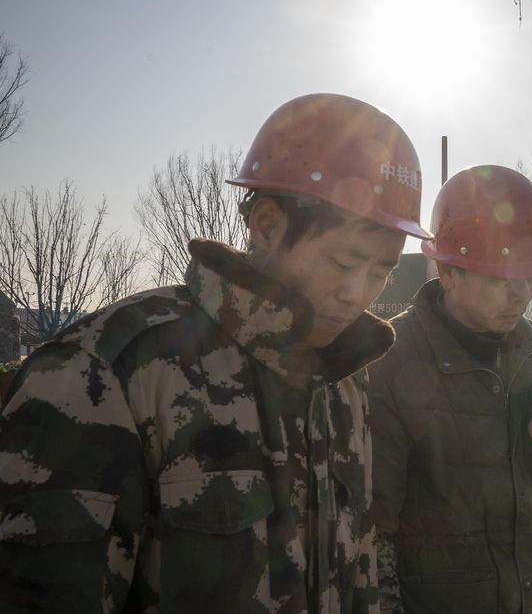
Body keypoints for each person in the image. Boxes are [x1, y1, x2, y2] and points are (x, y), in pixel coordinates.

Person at [0, 93, 429, 613]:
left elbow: (357, 569)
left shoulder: (342, 380)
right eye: (342, 262)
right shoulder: (105, 371)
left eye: (380, 271)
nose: (357, 293)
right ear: (267, 225)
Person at [369, 164, 532, 613]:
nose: (522, 295)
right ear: (450, 273)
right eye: (503, 280)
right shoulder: (391, 359)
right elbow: (371, 533)